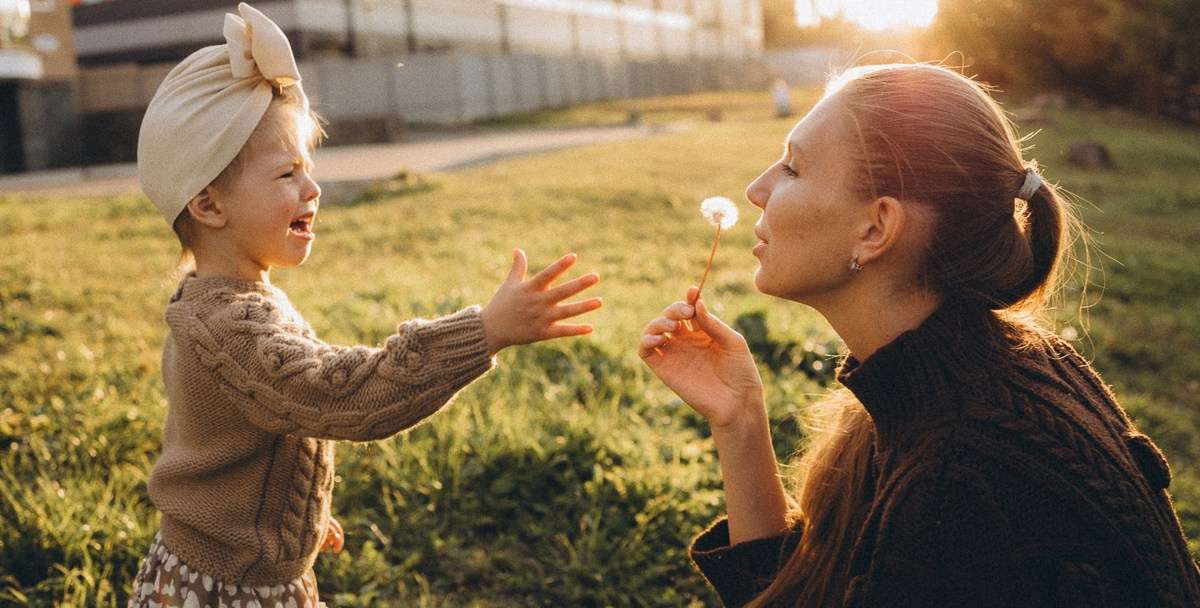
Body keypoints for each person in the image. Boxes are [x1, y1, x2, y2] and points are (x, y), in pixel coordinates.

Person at [639, 62, 1200, 607]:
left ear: (875, 228)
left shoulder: (958, 483)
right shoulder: (989, 375)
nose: (755, 189)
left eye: (792, 168)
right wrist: (739, 420)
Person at [128, 4, 602, 606]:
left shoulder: (216, 301)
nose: (313, 188)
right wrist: (485, 331)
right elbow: (335, 394)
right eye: (287, 174)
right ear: (209, 206)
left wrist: (286, 519)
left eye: (309, 168)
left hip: (234, 562)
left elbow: (229, 440)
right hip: (229, 588)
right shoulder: (228, 326)